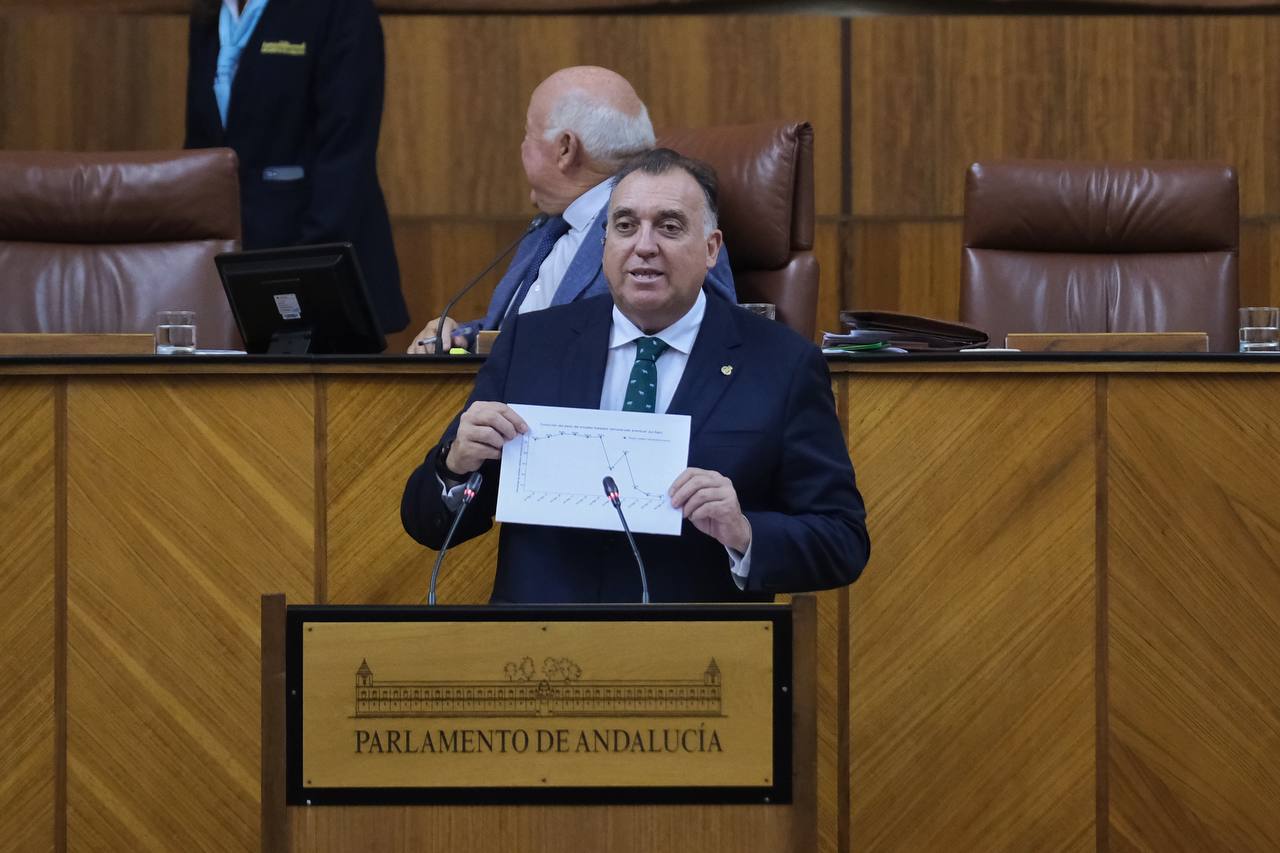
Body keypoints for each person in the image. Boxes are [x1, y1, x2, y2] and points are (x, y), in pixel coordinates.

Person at [401, 149, 869, 603]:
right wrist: (455, 465)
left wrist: (744, 532)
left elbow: (842, 540)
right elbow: (426, 523)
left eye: (669, 226)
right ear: (604, 243)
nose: (644, 246)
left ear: (711, 249)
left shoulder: (783, 363)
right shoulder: (532, 344)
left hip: (697, 644)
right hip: (538, 641)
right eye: (625, 226)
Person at [406, 66, 735, 354]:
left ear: (565, 149)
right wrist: (457, 336)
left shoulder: (667, 225)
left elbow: (717, 336)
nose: (522, 149)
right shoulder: (547, 228)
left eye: (528, 135)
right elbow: (520, 328)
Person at [185, 0, 408, 335]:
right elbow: (200, 147)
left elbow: (346, 152)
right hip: (228, 266)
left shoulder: (340, 9)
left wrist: (305, 268)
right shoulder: (211, 11)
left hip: (316, 260)